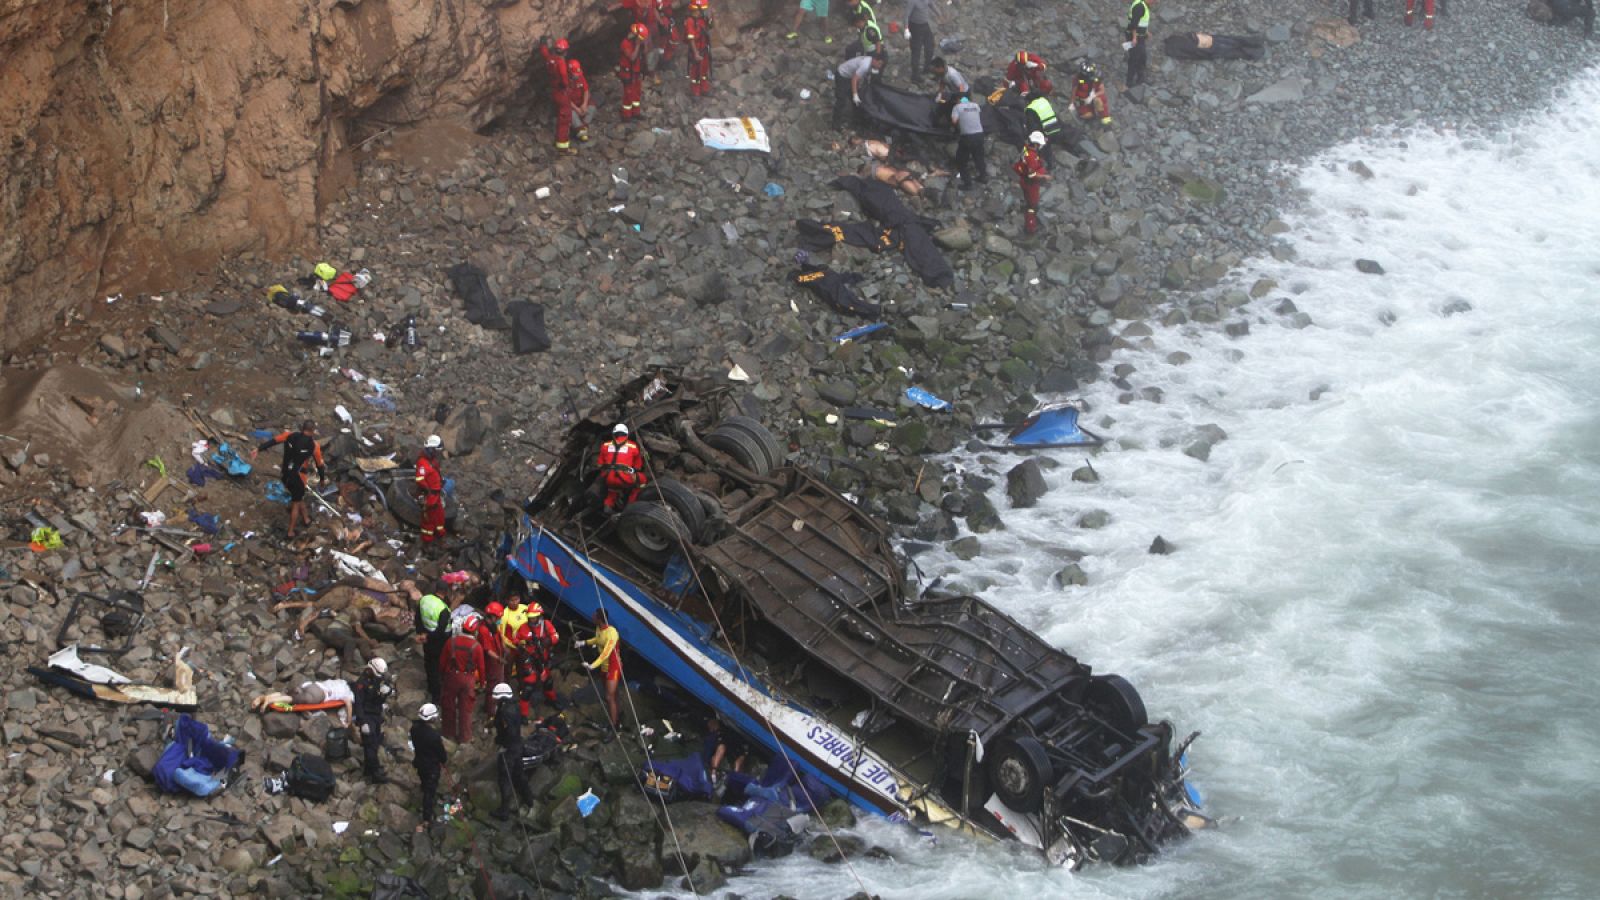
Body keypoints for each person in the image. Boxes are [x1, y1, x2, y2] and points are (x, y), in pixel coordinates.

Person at [252, 421, 326, 538]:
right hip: (298, 478)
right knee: (296, 503)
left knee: (298, 497)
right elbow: (320, 465)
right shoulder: (314, 446)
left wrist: (258, 449)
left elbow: (273, 441)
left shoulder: (289, 435)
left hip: (285, 474)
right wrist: (322, 480)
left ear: (302, 428)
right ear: (312, 431)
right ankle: (290, 532)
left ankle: (306, 519)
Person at [490, 683, 535, 819]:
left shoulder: (505, 711)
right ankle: (529, 800)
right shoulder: (515, 706)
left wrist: (503, 744)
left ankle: (504, 811)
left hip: (509, 748)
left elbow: (509, 731)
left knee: (505, 778)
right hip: (517, 745)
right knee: (519, 774)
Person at [440, 616, 486, 743]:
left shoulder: (451, 642)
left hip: (452, 676)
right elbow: (482, 668)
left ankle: (448, 733)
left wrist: (443, 675)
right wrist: (482, 683)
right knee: (466, 709)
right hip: (468, 679)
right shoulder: (477, 647)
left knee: (448, 705)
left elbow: (442, 662)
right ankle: (465, 737)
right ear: (474, 630)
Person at [512, 604, 561, 716]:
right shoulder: (523, 627)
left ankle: (552, 701)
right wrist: (521, 644)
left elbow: (556, 636)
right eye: (530, 617)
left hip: (544, 659)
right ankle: (524, 714)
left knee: (548, 682)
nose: (531, 619)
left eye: (533, 617)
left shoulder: (546, 625)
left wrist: (548, 641)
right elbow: (515, 639)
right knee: (528, 688)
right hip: (530, 661)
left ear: (539, 616)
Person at [580, 609, 622, 737]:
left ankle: (614, 727)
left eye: (594, 616)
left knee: (610, 697)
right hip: (604, 668)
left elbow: (605, 654)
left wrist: (592, 665)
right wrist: (584, 643)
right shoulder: (599, 629)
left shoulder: (612, 633)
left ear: (599, 619)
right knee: (609, 696)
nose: (592, 617)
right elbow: (597, 639)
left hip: (613, 667)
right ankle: (615, 718)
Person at [352, 657, 392, 783]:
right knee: (370, 744)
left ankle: (369, 769)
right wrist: (362, 722)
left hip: (375, 715)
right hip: (366, 716)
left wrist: (385, 693)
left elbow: (377, 699)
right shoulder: (361, 683)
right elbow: (358, 704)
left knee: (375, 742)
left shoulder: (377, 679)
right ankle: (375, 774)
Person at [596, 422, 648, 511]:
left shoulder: (605, 445)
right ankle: (631, 504)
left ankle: (608, 504)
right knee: (642, 480)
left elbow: (599, 465)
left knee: (612, 486)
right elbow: (638, 467)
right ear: (627, 434)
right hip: (624, 478)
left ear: (613, 434)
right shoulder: (633, 446)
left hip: (608, 478)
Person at [411, 703, 446, 832]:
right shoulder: (433, 736)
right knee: (429, 792)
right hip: (431, 766)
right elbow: (441, 754)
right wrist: (443, 760)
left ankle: (423, 789)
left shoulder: (414, 729)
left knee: (424, 782)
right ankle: (427, 818)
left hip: (420, 761)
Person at [833, 53, 885, 131]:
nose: (879, 66)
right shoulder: (865, 65)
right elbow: (855, 79)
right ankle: (835, 125)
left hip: (850, 76)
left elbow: (859, 77)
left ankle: (856, 121)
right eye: (879, 63)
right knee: (841, 100)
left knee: (856, 101)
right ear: (874, 60)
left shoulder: (870, 62)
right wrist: (855, 94)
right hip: (842, 75)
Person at [415, 589, 450, 703]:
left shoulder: (425, 599)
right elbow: (441, 630)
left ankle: (430, 688)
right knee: (437, 667)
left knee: (429, 664)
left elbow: (418, 617)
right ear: (444, 594)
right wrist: (427, 637)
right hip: (439, 641)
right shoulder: (443, 609)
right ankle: (437, 696)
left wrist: (421, 634)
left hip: (426, 637)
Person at [1014, 131, 1052, 235]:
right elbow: (1031, 175)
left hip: (1024, 180)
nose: (1040, 147)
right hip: (1031, 184)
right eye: (1039, 144)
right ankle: (1030, 228)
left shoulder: (1026, 148)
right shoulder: (1031, 156)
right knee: (1032, 207)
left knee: (1029, 202)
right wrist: (1044, 176)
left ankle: (1028, 215)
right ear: (1035, 144)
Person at [539, 38, 573, 152]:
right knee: (565, 118)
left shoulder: (551, 59)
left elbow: (545, 54)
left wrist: (543, 45)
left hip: (554, 90)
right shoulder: (561, 62)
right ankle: (562, 147)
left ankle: (560, 141)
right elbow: (564, 77)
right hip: (561, 92)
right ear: (565, 51)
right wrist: (566, 85)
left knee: (560, 115)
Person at [949, 92, 988, 189]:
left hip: (967, 137)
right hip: (979, 134)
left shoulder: (957, 107)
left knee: (961, 161)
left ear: (957, 100)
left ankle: (968, 184)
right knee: (979, 157)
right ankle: (983, 177)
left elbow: (954, 121)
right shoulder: (975, 105)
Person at [414, 435, 446, 546]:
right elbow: (420, 479)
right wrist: (427, 492)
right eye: (436, 451)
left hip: (436, 494)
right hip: (430, 496)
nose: (438, 453)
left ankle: (440, 535)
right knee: (429, 520)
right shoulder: (422, 463)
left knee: (439, 515)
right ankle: (427, 542)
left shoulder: (432, 461)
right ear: (431, 449)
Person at [1024, 93, 1065, 168]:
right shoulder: (1044, 101)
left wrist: (1030, 137)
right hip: (1056, 126)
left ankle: (1049, 164)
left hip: (1047, 132)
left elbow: (1031, 125)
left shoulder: (1030, 108)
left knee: (1044, 147)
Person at [617, 23, 648, 122]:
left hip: (636, 72)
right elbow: (632, 57)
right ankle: (626, 115)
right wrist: (638, 45)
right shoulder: (625, 43)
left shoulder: (635, 43)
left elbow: (643, 54)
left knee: (637, 92)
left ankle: (636, 112)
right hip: (627, 73)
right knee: (628, 94)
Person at [928, 57, 969, 127]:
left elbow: (961, 87)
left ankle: (958, 128)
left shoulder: (952, 75)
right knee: (945, 104)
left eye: (934, 70)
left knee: (960, 111)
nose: (933, 72)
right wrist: (939, 94)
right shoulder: (942, 73)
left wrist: (959, 100)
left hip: (964, 94)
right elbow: (942, 82)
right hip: (955, 93)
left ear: (940, 67)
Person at [684, 0, 713, 96]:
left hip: (704, 48)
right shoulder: (690, 21)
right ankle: (695, 91)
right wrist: (696, 53)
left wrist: (710, 19)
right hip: (696, 50)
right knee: (695, 72)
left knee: (704, 69)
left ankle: (704, 88)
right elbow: (691, 39)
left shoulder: (702, 19)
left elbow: (709, 27)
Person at [1070, 60, 1112, 125]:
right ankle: (1094, 115)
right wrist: (1072, 104)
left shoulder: (1096, 77)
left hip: (1095, 98)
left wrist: (1093, 96)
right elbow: (1074, 91)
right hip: (1083, 101)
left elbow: (1102, 90)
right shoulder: (1078, 80)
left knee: (1099, 102)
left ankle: (1105, 120)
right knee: (1087, 115)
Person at [647, 0, 680, 81]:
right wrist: (661, 23)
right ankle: (658, 66)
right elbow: (654, 9)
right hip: (660, 21)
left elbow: (675, 4)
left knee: (673, 39)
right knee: (659, 45)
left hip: (667, 19)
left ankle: (665, 60)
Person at [905, 0, 938, 79]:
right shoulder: (912, 2)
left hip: (925, 25)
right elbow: (906, 15)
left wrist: (939, 14)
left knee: (930, 46)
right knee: (916, 51)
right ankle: (915, 75)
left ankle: (927, 67)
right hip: (915, 27)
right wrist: (906, 29)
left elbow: (932, 5)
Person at [1125, 0, 1152, 88]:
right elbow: (1133, 24)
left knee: (1142, 57)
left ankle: (1141, 78)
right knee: (1134, 58)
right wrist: (1134, 38)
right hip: (1136, 37)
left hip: (1141, 37)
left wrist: (1146, 31)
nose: (1155, 2)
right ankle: (1129, 82)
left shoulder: (1143, 5)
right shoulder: (1139, 6)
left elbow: (1141, 21)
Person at [566, 59, 592, 146]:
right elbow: (566, 99)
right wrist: (577, 109)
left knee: (592, 108)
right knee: (571, 114)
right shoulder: (565, 81)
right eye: (575, 74)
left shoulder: (580, 77)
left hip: (580, 103)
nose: (577, 76)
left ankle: (584, 125)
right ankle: (580, 129)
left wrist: (584, 104)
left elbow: (586, 90)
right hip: (572, 105)